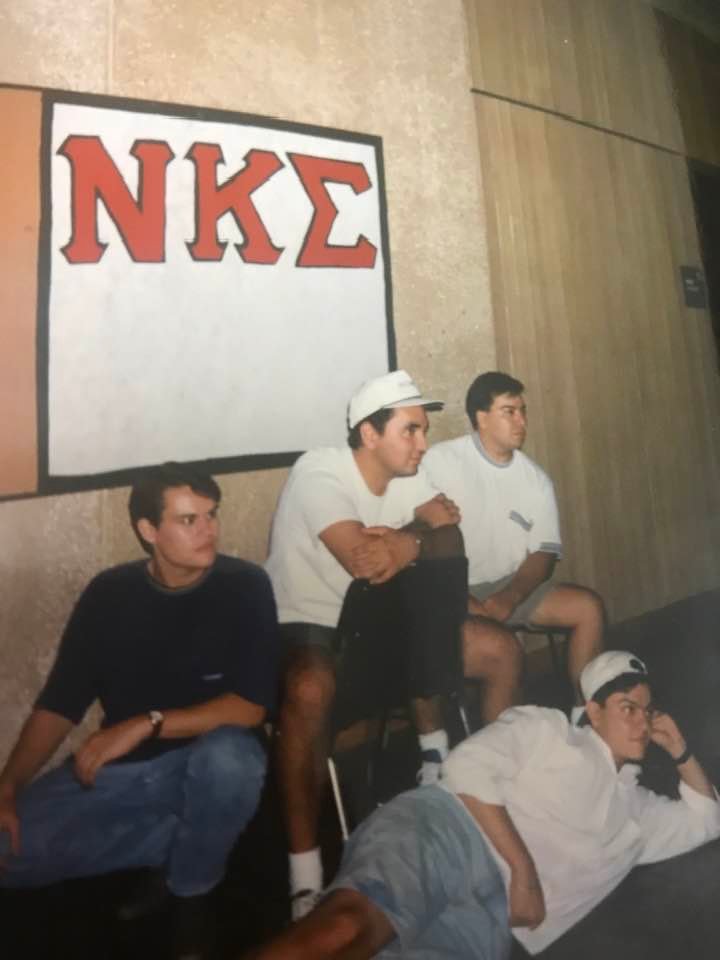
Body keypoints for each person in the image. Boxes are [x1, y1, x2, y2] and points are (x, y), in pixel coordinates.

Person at [244, 650, 720, 959]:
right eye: (627, 708)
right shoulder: (550, 729)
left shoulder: (639, 813)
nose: (641, 723)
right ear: (594, 712)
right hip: (452, 829)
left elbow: (708, 819)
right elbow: (466, 767)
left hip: (488, 920)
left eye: (647, 712)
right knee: (347, 929)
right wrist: (523, 871)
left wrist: (680, 750)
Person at [265, 369, 520, 920]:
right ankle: (304, 873)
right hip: (311, 627)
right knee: (309, 689)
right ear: (369, 433)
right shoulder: (318, 470)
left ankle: (470, 779)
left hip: (380, 624)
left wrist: (407, 543)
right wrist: (416, 536)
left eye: (423, 430)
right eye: (411, 430)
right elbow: (363, 560)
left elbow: (448, 534)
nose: (423, 444)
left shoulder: (408, 474)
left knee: (498, 649)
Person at [0, 462, 279, 960]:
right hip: (124, 773)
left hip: (207, 763)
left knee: (231, 759)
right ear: (148, 530)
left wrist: (147, 723)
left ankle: (192, 892)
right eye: (189, 520)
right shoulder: (109, 593)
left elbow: (251, 707)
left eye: (211, 515)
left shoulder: (245, 585)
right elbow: (60, 702)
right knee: (8, 852)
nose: (209, 531)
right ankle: (185, 845)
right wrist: (8, 786)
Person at [423, 371, 605, 706]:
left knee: (588, 608)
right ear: (482, 418)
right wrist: (463, 597)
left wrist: (510, 596)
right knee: (502, 649)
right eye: (509, 411)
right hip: (450, 586)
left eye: (523, 411)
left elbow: (543, 555)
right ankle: (489, 736)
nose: (521, 421)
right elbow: (421, 539)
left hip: (508, 586)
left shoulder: (536, 480)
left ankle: (585, 714)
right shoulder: (441, 461)